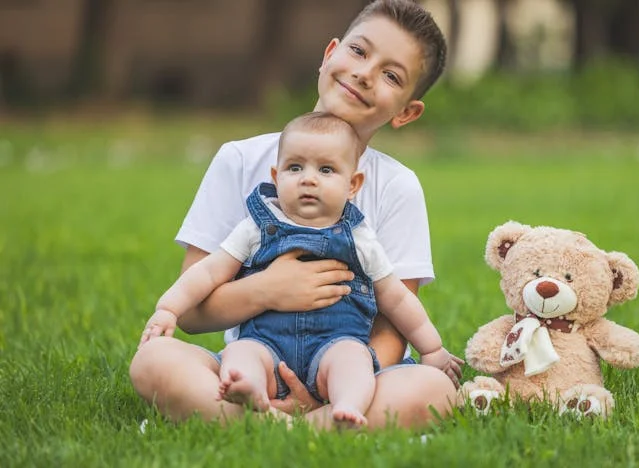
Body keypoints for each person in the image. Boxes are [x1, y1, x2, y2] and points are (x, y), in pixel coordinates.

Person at [130, 0, 461, 430]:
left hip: (351, 370)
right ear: (329, 55)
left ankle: (285, 422)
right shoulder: (240, 160)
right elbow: (191, 313)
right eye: (359, 52)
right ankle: (302, 424)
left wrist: (344, 379)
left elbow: (395, 320)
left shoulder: (396, 186)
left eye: (391, 75)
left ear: (406, 111)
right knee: (153, 361)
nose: (365, 73)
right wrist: (268, 290)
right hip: (255, 361)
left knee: (435, 391)